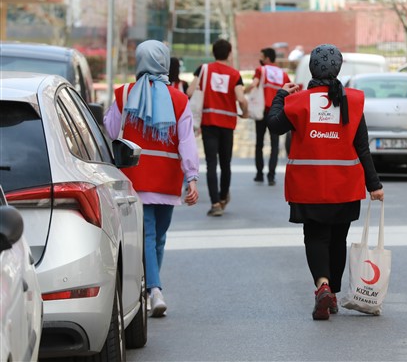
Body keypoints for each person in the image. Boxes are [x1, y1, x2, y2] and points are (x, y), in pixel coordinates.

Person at [267, 44, 384, 321]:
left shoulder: (299, 101)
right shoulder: (352, 102)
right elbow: (362, 148)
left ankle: (323, 286)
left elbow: (273, 124)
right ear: (338, 69)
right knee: (337, 239)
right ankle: (332, 291)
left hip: (308, 187)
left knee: (316, 237)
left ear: (311, 69)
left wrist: (281, 95)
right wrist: (374, 185)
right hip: (344, 186)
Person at [104, 40, 200, 318]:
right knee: (158, 237)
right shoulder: (179, 99)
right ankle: (153, 288)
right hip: (168, 180)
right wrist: (191, 177)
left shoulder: (125, 94)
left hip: (134, 178)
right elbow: (187, 142)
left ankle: (149, 289)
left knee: (148, 236)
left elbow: (111, 130)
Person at [187, 39, 248, 217]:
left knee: (211, 164)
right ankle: (223, 198)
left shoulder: (204, 69)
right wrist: (245, 112)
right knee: (226, 163)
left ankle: (215, 204)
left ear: (214, 53)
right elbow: (241, 99)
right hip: (227, 124)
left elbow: (190, 92)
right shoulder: (235, 74)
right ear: (229, 54)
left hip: (208, 123)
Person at [245, 47, 290, 185]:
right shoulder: (282, 74)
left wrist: (242, 91)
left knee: (259, 143)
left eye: (262, 57)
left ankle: (259, 174)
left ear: (268, 58)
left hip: (263, 110)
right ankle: (271, 176)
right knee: (275, 145)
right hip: (276, 112)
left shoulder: (261, 70)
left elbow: (254, 84)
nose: (261, 59)